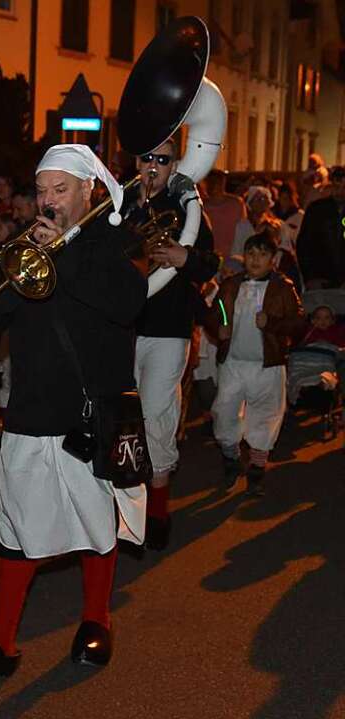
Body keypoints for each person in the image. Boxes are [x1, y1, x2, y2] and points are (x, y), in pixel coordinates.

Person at [0, 144, 147, 683]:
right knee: (15, 524)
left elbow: (126, 302)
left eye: (59, 190)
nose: (47, 201)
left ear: (88, 190)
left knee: (97, 521)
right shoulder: (24, 244)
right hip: (33, 407)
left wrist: (62, 254)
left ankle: (96, 618)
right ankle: (2, 640)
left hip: (93, 409)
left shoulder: (115, 240)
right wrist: (21, 264)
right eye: (41, 190)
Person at [122, 140, 219, 550]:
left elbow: (210, 263)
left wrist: (184, 257)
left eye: (163, 159)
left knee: (157, 415)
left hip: (169, 327)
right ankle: (127, 516)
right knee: (123, 419)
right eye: (147, 157)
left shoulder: (187, 208)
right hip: (124, 325)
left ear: (174, 164)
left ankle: (158, 511)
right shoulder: (121, 205)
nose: (153, 165)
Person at [204, 232, 305, 496]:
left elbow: (298, 324)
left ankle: (257, 471)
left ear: (273, 259)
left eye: (262, 254)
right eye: (251, 254)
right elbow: (214, 314)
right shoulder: (230, 285)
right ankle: (232, 459)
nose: (255, 260)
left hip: (266, 366)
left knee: (264, 418)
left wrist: (271, 324)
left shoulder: (283, 288)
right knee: (224, 412)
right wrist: (218, 328)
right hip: (233, 364)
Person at [295, 165, 345, 289]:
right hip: (320, 280)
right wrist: (310, 277)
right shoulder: (317, 210)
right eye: (337, 186)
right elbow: (304, 245)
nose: (341, 192)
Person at [202, 169, 246, 264]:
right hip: (210, 257)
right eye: (210, 182)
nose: (213, 185)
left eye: (216, 182)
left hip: (233, 257)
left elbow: (244, 230)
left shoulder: (236, 203)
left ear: (223, 183)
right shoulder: (202, 206)